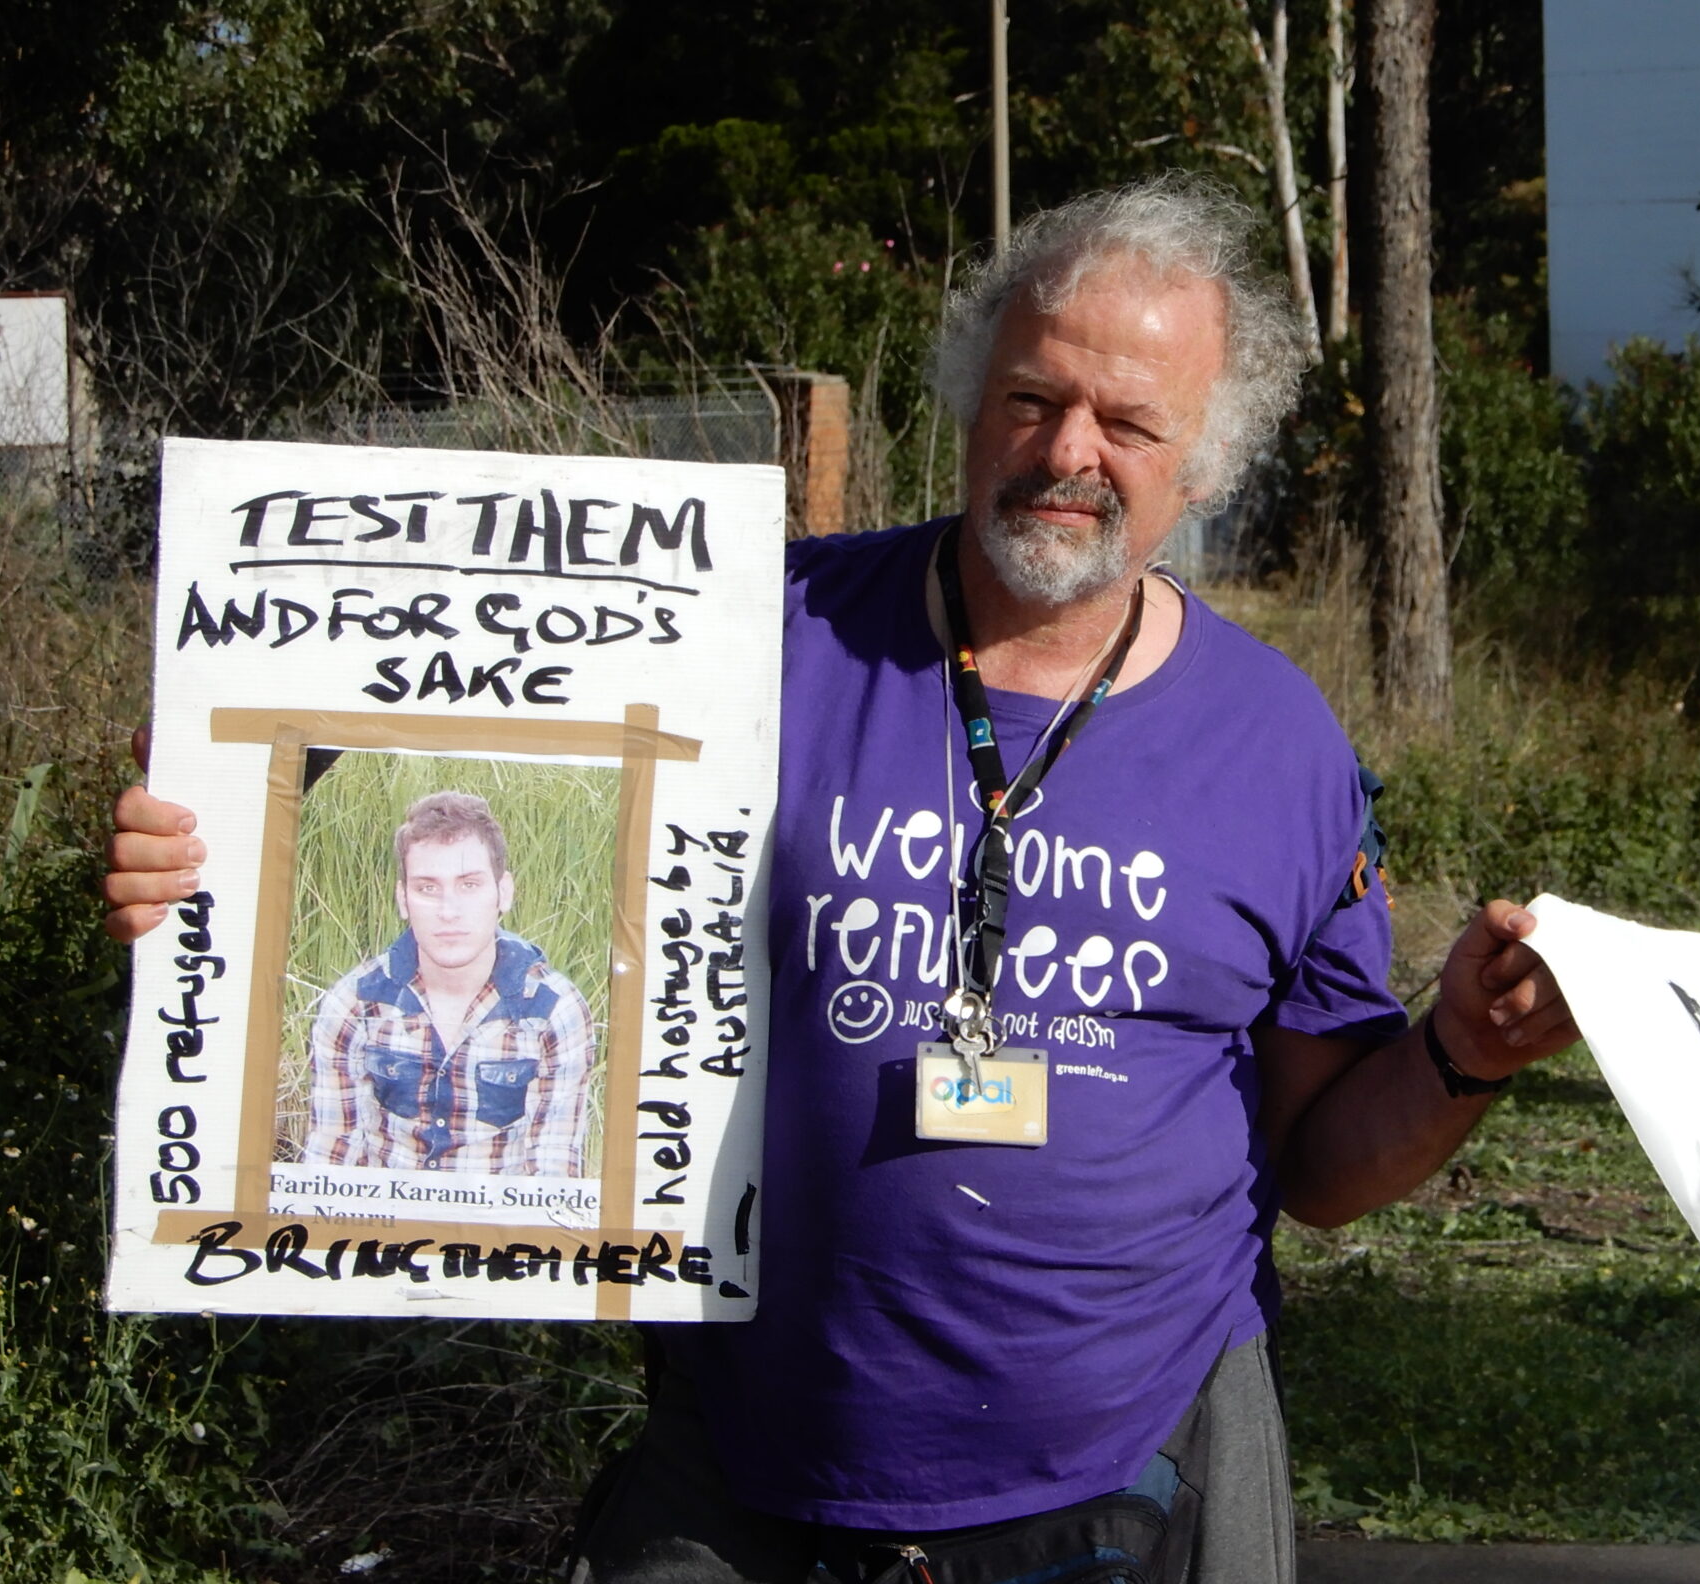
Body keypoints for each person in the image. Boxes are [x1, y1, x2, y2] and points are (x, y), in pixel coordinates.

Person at [102, 175, 1579, 1584]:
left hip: (1141, 1470)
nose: (1070, 452)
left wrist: (1461, 1051)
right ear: (969, 397)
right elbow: (448, 769)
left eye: (1130, 421)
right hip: (749, 1463)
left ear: (1204, 463)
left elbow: (1317, 1172)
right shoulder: (756, 638)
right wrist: (216, 857)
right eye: (1032, 398)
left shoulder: (1279, 744)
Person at [303, 789, 594, 1176]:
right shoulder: (355, 1003)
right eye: (427, 888)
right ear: (403, 899)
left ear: (503, 892)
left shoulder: (556, 1011)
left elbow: (553, 1178)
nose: (448, 911)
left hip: (501, 1229)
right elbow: (330, 1161)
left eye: (469, 885)